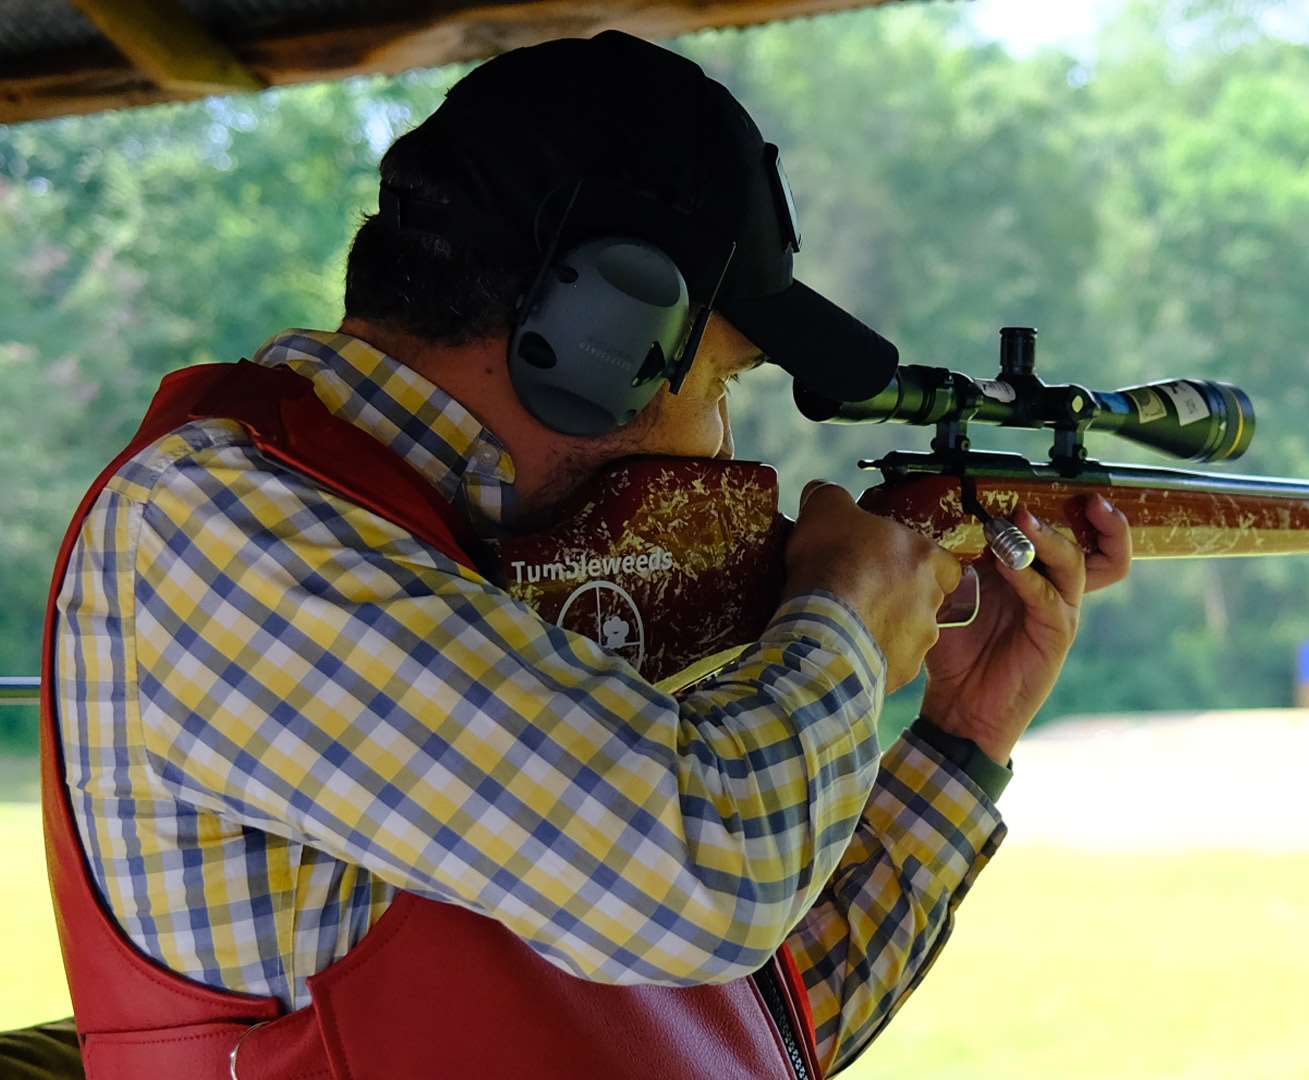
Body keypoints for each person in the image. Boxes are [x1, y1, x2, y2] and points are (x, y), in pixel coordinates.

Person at [31, 30, 1131, 1080]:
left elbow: (741, 1028)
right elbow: (712, 883)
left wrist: (963, 738)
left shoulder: (468, 582)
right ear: (602, 334)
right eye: (720, 384)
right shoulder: (219, 529)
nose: (722, 445)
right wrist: (842, 617)